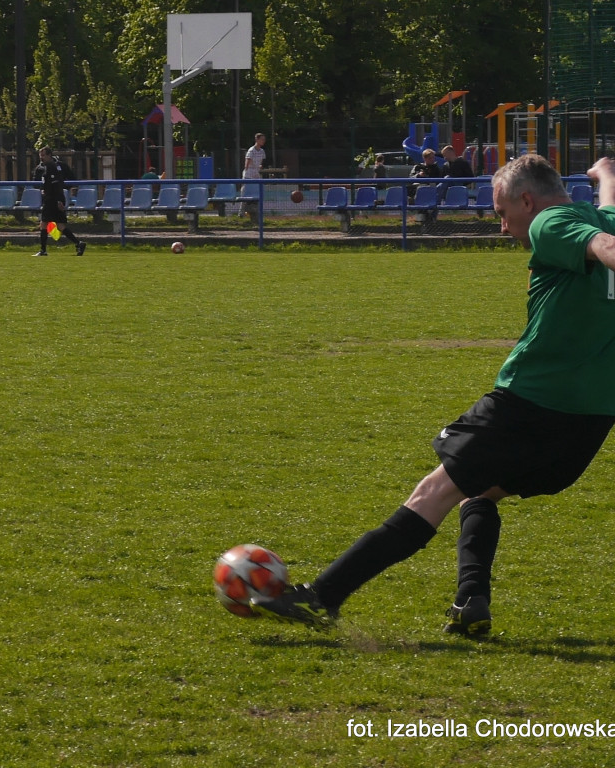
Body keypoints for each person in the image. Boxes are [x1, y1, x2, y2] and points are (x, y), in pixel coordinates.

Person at [251, 154, 615, 637]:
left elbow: (605, 244)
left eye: (504, 213)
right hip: (591, 420)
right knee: (479, 491)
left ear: (527, 200)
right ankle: (471, 601)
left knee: (434, 492)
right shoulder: (602, 213)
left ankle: (322, 597)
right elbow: (608, 215)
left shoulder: (551, 221)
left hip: (530, 401)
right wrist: (606, 174)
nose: (504, 227)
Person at [31, 147, 86, 257]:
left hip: (52, 199)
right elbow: (37, 183)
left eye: (43, 155)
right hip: (52, 198)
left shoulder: (53, 167)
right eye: (40, 155)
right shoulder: (41, 168)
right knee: (60, 225)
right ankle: (78, 243)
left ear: (49, 155)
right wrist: (42, 189)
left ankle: (43, 250)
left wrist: (59, 200)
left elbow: (57, 185)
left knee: (43, 224)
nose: (41, 158)